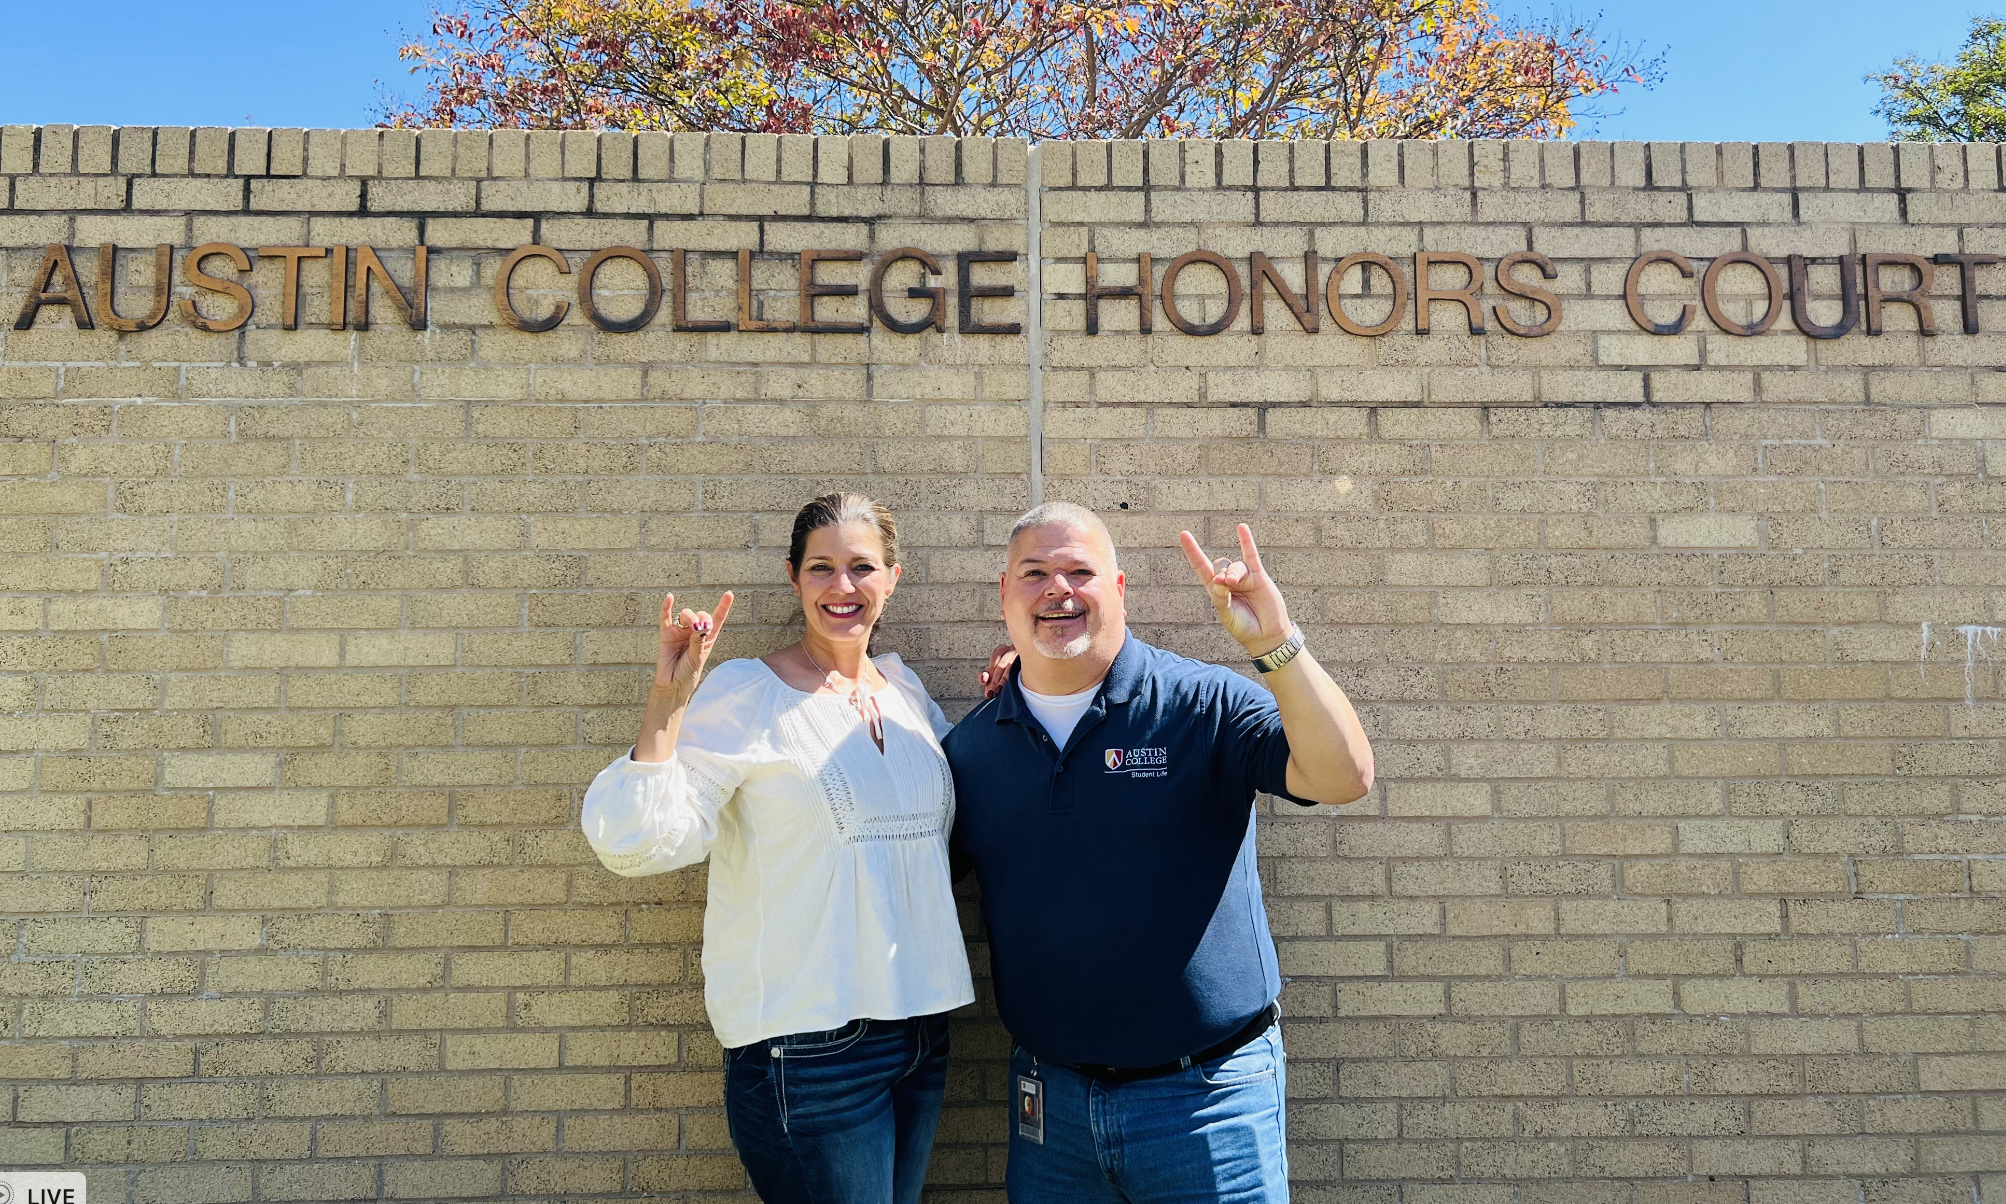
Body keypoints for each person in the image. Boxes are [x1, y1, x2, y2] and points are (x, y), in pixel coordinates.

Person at [946, 502, 1375, 1204]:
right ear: (1004, 595)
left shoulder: (1202, 705)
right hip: (1051, 1114)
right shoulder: (973, 746)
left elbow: (1343, 776)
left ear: (1118, 591)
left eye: (1081, 570)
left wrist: (1277, 644)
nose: (1058, 588)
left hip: (1208, 1104)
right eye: (1035, 573)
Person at [580, 493, 973, 1204]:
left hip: (919, 1032)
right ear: (793, 578)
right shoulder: (746, 692)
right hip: (808, 1049)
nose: (842, 587)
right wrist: (669, 699)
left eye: (861, 567)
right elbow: (640, 842)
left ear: (893, 577)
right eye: (821, 568)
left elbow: (966, 817)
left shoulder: (907, 692)